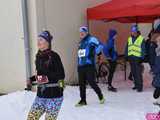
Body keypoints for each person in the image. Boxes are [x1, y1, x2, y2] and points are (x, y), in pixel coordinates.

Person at [27, 31, 65, 120]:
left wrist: (45, 74)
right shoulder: (38, 56)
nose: (38, 42)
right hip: (41, 95)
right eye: (37, 40)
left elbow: (61, 75)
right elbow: (41, 76)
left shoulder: (54, 56)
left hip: (54, 96)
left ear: (47, 42)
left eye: (41, 40)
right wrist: (32, 79)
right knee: (31, 118)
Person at [76, 26, 105, 107]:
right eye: (80, 32)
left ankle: (100, 96)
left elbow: (100, 45)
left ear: (86, 32)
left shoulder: (92, 39)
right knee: (81, 84)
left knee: (91, 82)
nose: (81, 33)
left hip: (89, 65)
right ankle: (83, 100)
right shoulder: (80, 42)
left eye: (83, 32)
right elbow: (80, 54)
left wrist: (97, 52)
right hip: (81, 66)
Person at [125, 25, 146, 92]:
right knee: (133, 73)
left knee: (138, 73)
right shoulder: (129, 39)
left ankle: (140, 87)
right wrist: (126, 56)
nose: (133, 32)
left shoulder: (141, 39)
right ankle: (136, 85)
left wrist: (142, 58)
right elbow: (127, 48)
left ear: (137, 31)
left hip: (138, 58)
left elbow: (143, 49)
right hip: (131, 58)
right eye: (132, 31)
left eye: (134, 31)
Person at [151, 33, 160, 106]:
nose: (156, 43)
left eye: (158, 42)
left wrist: (154, 71)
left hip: (159, 74)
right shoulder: (158, 51)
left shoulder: (159, 52)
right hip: (158, 73)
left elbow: (158, 65)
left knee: (157, 91)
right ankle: (158, 101)